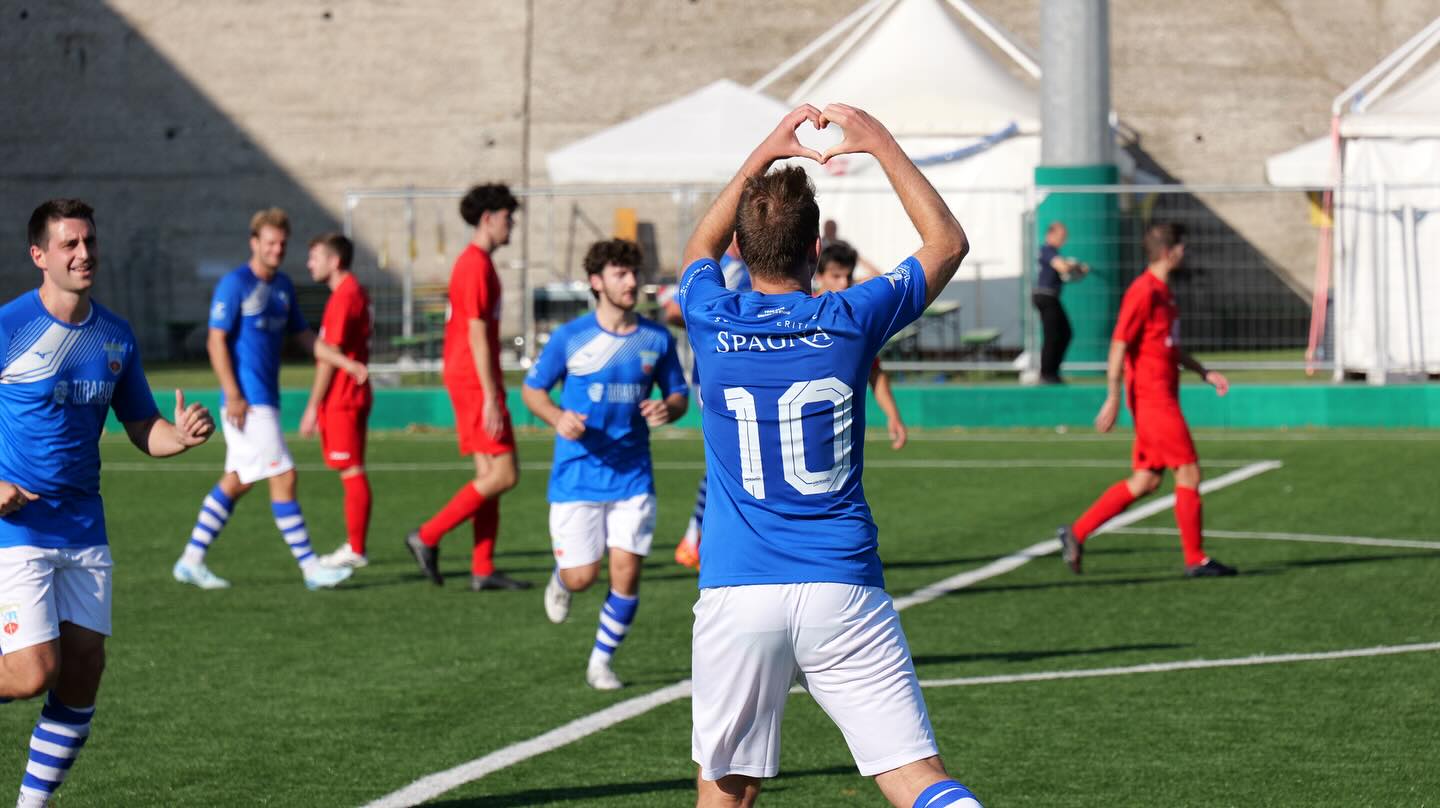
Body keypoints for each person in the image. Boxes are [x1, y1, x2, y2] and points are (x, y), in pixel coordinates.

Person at [679, 104, 981, 808]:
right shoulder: (849, 317)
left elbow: (699, 245)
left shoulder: (709, 315)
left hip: (737, 589)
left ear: (741, 250)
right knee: (916, 778)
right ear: (817, 250)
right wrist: (880, 144)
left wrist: (765, 151)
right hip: (843, 585)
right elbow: (947, 243)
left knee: (727, 792)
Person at [1, 199, 216, 807]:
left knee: (83, 674)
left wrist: (181, 436)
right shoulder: (9, 327)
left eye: (89, 241)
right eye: (68, 244)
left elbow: (143, 424)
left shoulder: (115, 334)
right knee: (31, 672)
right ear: (39, 255)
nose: (84, 253)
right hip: (18, 526)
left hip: (84, 527)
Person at [522, 238, 688, 690]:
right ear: (596, 282)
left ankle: (601, 661)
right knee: (582, 577)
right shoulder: (570, 338)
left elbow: (678, 394)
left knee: (626, 573)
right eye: (620, 274)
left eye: (634, 273)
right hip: (578, 474)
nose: (631, 282)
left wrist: (667, 408)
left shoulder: (655, 339)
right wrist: (557, 417)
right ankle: (562, 580)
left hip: (633, 475)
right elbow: (533, 390)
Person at [172, 208, 365, 591]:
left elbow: (305, 337)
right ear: (254, 243)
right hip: (247, 403)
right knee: (284, 475)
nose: (277, 250)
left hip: (265, 402)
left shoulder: (283, 287)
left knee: (238, 481)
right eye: (270, 243)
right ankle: (311, 568)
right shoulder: (235, 284)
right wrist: (233, 393)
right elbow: (215, 341)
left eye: (282, 244)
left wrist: (345, 362)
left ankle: (190, 560)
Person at [1055, 222, 1236, 578]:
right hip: (1153, 400)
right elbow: (1119, 344)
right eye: (1182, 247)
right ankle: (1195, 559)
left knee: (1146, 480)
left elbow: (1167, 346)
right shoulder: (1143, 291)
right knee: (1188, 470)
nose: (1185, 253)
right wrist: (1112, 397)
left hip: (1162, 397)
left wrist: (1203, 371)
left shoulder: (1164, 293)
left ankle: (1076, 532)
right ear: (1168, 252)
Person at [405, 184, 531, 590]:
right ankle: (426, 536)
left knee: (488, 473)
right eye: (507, 217)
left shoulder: (478, 263)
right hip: (474, 381)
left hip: (469, 377)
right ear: (488, 219)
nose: (512, 225)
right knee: (505, 474)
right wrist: (491, 395)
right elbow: (476, 332)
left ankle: (482, 568)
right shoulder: (474, 264)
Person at [298, 233, 374, 569]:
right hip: (349, 395)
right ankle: (355, 546)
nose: (309, 264)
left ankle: (356, 548)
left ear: (335, 261)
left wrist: (312, 407)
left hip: (344, 396)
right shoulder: (352, 292)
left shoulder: (344, 297)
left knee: (352, 470)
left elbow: (329, 356)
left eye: (315, 257)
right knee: (351, 469)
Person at [815, 240, 907, 451]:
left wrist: (893, 415)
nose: (844, 284)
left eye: (848, 276)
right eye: (836, 276)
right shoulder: (797, 314)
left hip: (841, 433)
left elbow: (874, 372)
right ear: (818, 276)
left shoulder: (854, 320)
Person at [1031, 221, 1088, 384]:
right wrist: (1076, 265)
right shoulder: (1047, 250)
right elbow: (1062, 267)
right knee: (1052, 335)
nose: (1063, 240)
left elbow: (1065, 275)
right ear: (1050, 235)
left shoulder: (1054, 252)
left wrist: (1078, 271)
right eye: (1061, 236)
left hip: (1051, 296)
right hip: (1046, 296)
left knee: (1065, 333)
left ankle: (1052, 372)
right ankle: (1046, 374)